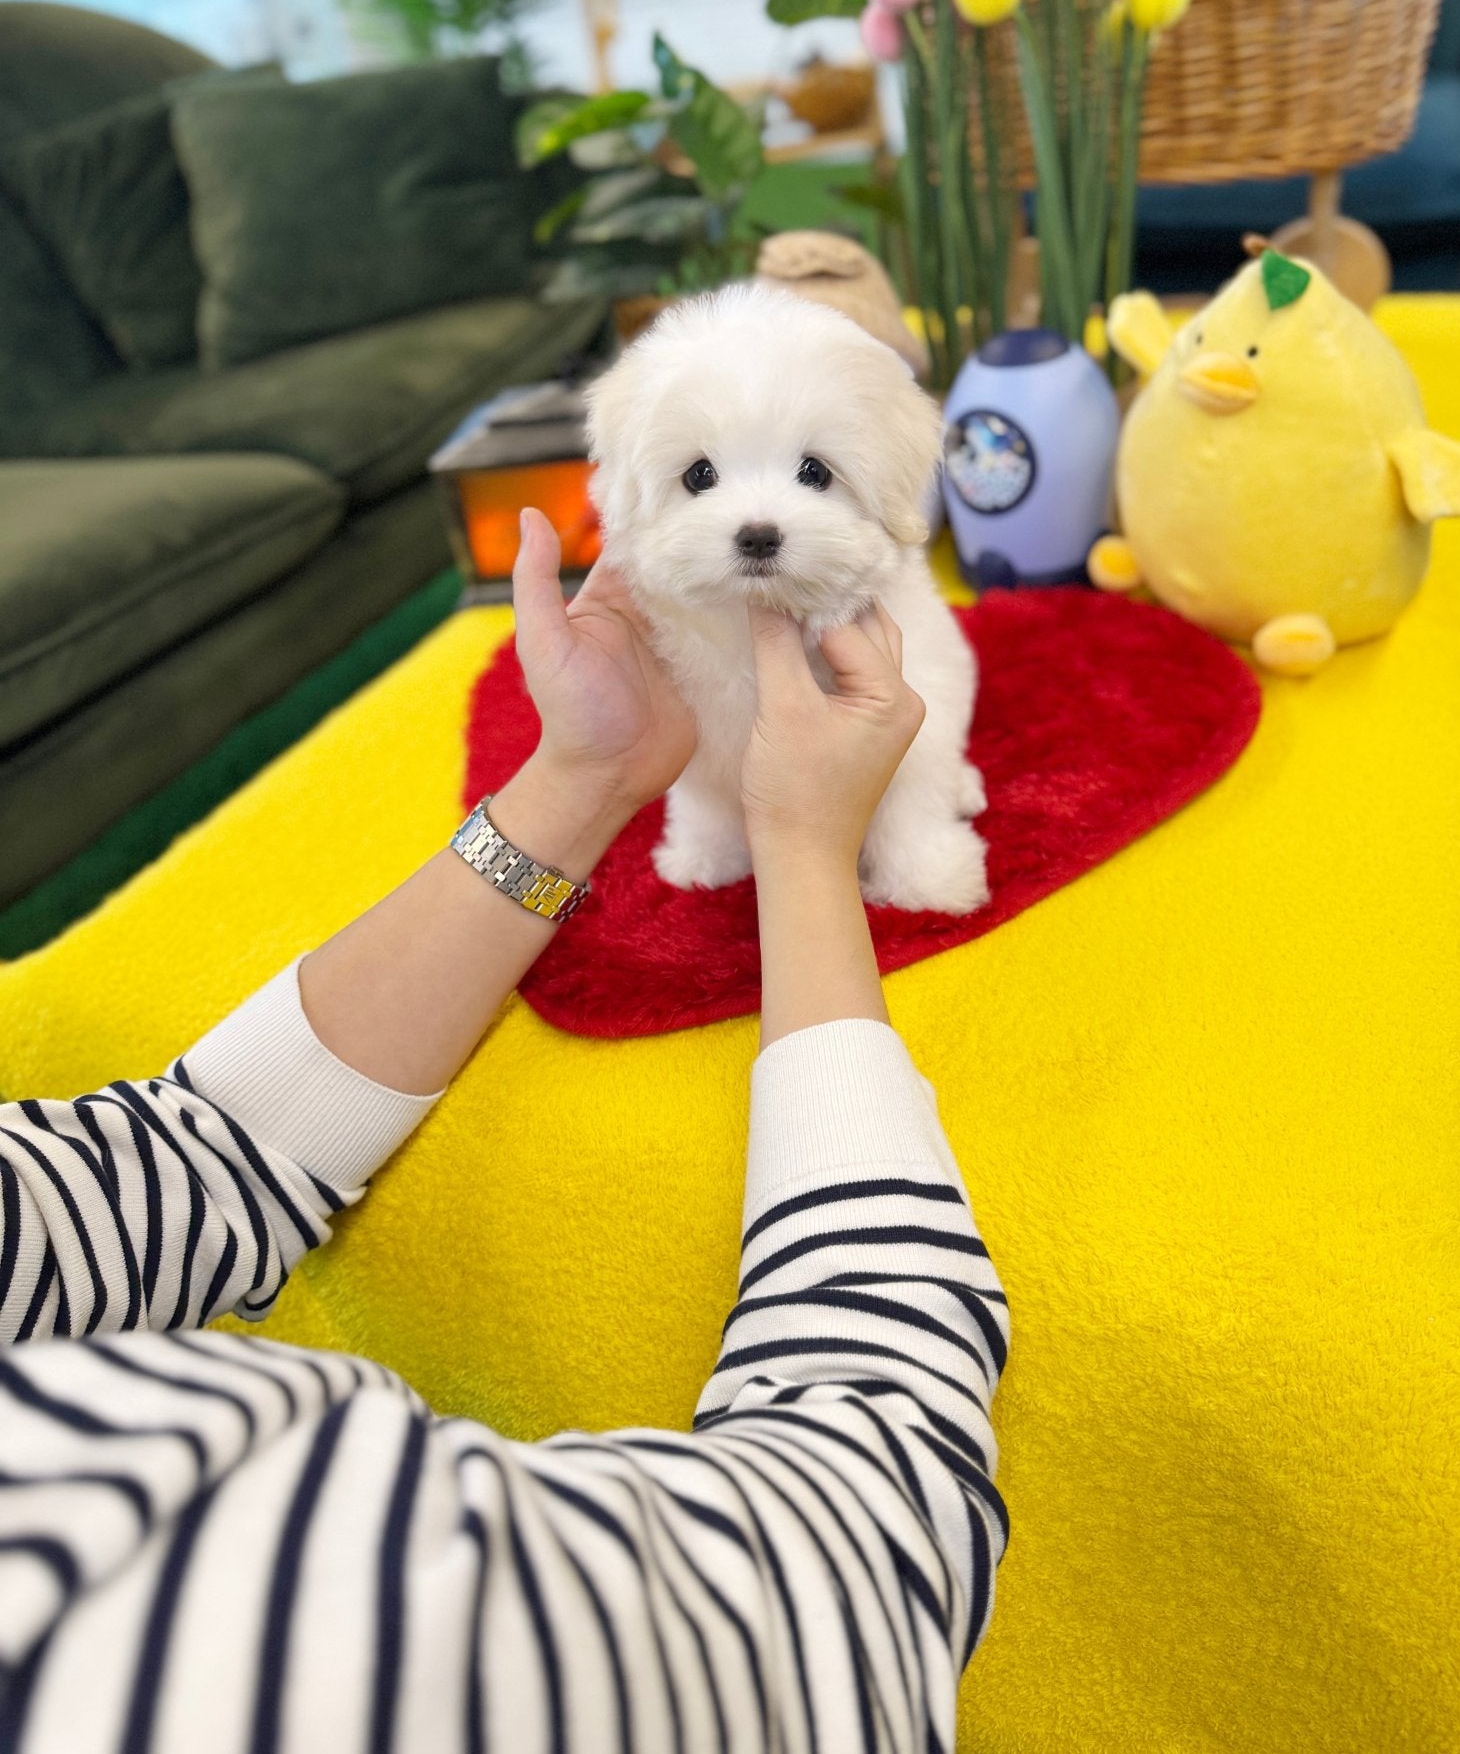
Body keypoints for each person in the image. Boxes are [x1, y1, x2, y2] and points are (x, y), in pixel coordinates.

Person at [0, 509, 1009, 1753]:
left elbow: (174, 1171)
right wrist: (802, 845)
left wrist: (586, 771)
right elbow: (851, 1577)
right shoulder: (151, 1632)